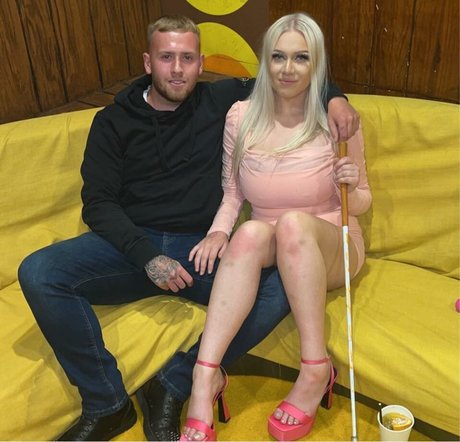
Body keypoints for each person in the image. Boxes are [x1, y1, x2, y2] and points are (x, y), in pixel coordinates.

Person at [17, 14, 360, 441]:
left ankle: (176, 382)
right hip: (129, 247)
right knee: (39, 272)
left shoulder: (220, 101)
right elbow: (98, 204)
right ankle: (107, 405)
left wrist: (336, 98)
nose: (177, 69)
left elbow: (290, 78)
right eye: (166, 58)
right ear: (148, 62)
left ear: (201, 64)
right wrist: (147, 257)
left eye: (187, 58)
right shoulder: (112, 121)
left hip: (198, 251)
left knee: (280, 288)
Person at [180, 12, 372, 442]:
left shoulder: (338, 120)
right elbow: (233, 193)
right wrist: (219, 232)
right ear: (265, 60)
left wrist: (350, 184)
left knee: (292, 225)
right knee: (248, 232)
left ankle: (315, 369)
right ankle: (204, 376)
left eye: (301, 58)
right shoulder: (240, 116)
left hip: (332, 244)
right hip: (270, 240)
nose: (288, 69)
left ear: (316, 63)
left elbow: (360, 203)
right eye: (278, 57)